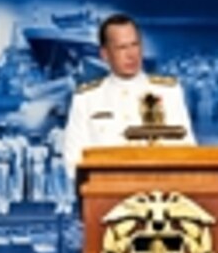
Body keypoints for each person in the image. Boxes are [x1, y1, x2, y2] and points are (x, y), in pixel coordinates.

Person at [62, 13, 195, 179]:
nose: (131, 55)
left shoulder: (169, 93)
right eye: (122, 48)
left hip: (159, 197)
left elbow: (186, 152)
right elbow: (73, 161)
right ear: (104, 54)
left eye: (135, 45)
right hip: (105, 197)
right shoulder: (86, 99)